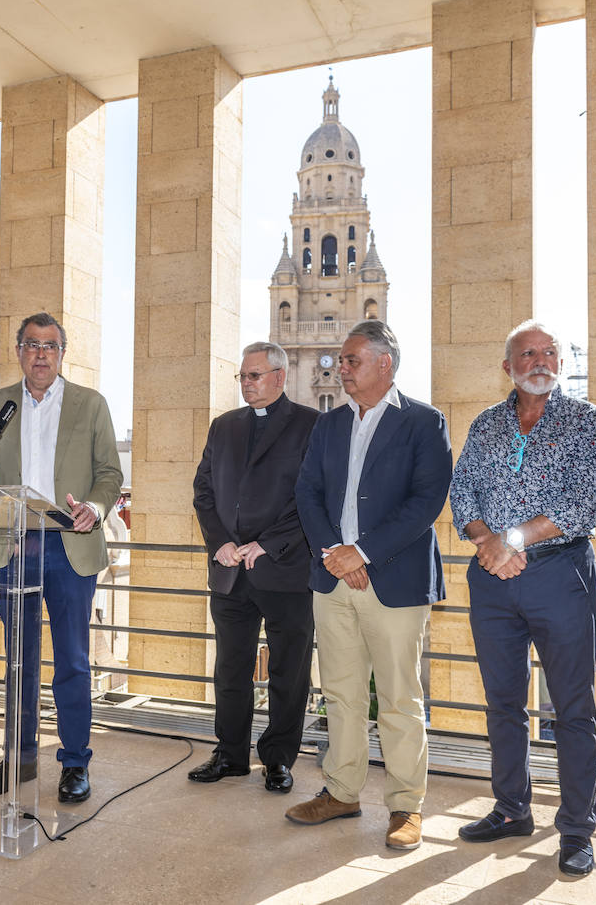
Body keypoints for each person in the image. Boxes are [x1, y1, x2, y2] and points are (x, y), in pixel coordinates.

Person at [448, 321, 596, 876]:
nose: (539, 360)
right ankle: (512, 809)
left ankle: (576, 832)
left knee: (573, 708)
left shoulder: (588, 421)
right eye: (527, 353)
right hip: (491, 580)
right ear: (508, 366)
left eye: (549, 353)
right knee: (503, 704)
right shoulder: (486, 423)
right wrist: (485, 542)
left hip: (559, 574)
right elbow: (462, 490)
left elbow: (584, 502)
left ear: (560, 363)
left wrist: (511, 539)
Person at [285, 319, 452, 851]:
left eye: (352, 360)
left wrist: (365, 552)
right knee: (340, 693)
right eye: (340, 360)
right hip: (332, 579)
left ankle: (406, 806)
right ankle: (341, 791)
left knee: (399, 698)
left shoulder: (424, 422)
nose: (341, 368)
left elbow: (426, 501)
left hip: (394, 581)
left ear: (385, 363)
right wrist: (335, 554)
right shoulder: (329, 424)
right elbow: (308, 492)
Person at [0, 312, 123, 804]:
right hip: (13, 543)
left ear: (61, 353)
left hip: (67, 544)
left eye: (49, 346)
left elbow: (109, 475)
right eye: (31, 344)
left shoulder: (90, 404)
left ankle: (74, 762)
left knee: (73, 660)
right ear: (18, 351)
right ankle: (19, 757)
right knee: (18, 662)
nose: (39, 353)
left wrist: (94, 509)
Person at [190, 341, 318, 793]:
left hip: (285, 571)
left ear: (280, 377)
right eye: (243, 376)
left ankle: (279, 761)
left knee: (288, 672)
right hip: (230, 571)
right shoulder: (223, 426)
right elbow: (203, 492)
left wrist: (268, 544)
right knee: (230, 669)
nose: (246, 383)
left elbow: (312, 499)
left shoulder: (311, 425)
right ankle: (229, 755)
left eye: (255, 375)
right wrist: (221, 542)